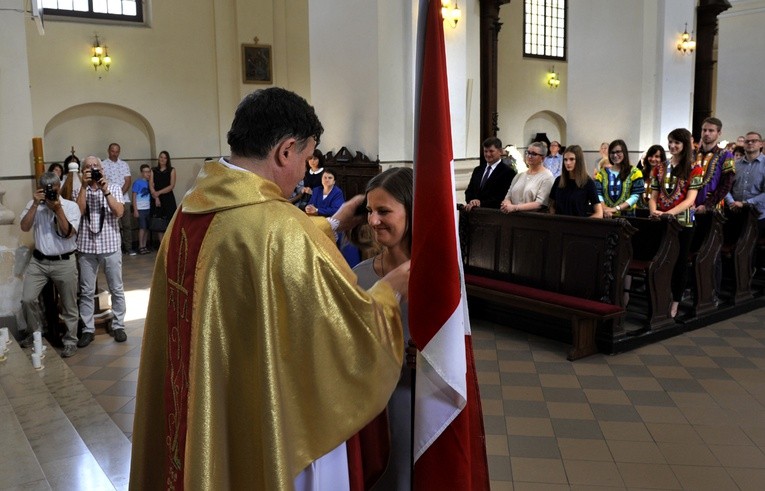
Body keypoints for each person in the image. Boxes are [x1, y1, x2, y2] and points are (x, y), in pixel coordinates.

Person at [129, 87, 409, 490]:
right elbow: (346, 327)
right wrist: (390, 289)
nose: (303, 171)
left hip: (203, 401)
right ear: (285, 150)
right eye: (307, 156)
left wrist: (333, 223)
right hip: (255, 415)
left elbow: (260, 252)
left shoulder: (190, 211)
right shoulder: (278, 226)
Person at [349, 167, 414, 490]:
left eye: (384, 211)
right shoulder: (359, 276)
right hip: (372, 406)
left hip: (418, 401)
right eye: (370, 211)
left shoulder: (439, 277)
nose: (373, 221)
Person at [18, 172, 81, 358]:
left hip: (64, 261)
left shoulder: (70, 206)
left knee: (69, 304)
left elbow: (69, 233)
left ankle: (70, 341)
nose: (50, 193)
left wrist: (57, 209)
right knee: (27, 299)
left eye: (52, 189)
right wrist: (36, 204)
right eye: (46, 190)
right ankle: (35, 333)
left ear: (58, 188)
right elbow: (24, 227)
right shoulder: (34, 205)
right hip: (39, 262)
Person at [649, 128, 704, 319]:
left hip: (683, 223)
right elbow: (653, 194)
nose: (672, 146)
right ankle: (660, 298)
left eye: (677, 143)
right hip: (662, 221)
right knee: (660, 261)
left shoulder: (694, 168)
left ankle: (675, 302)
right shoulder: (660, 167)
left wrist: (668, 214)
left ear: (685, 145)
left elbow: (690, 200)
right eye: (670, 142)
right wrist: (653, 209)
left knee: (680, 262)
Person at [73, 156, 128, 347]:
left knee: (116, 288)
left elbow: (119, 212)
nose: (93, 169)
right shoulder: (79, 189)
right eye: (88, 167)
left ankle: (119, 325)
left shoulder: (112, 187)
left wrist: (105, 191)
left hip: (110, 246)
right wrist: (83, 186)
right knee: (86, 291)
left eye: (96, 166)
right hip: (86, 248)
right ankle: (88, 330)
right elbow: (77, 213)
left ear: (102, 169)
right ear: (83, 171)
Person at [726, 131, 765, 238]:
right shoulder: (735, 165)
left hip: (758, 215)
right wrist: (731, 202)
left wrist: (745, 203)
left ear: (761, 144)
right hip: (735, 212)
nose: (750, 143)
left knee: (753, 250)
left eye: (754, 141)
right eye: (747, 141)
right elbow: (726, 187)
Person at [693, 117, 735, 214]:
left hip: (712, 209)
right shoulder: (693, 154)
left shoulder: (726, 155)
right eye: (704, 130)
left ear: (719, 133)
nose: (707, 133)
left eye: (711, 130)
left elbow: (726, 184)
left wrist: (708, 204)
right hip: (688, 205)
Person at [500, 141, 554, 213]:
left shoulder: (547, 177)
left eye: (534, 154)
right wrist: (507, 205)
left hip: (532, 219)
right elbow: (508, 196)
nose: (529, 156)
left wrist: (515, 207)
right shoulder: (520, 175)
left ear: (542, 158)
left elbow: (540, 203)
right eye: (528, 152)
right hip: (512, 217)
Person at [549, 145, 603, 218]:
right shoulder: (558, 180)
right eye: (565, 159)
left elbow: (599, 213)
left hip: (578, 226)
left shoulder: (588, 182)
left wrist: (583, 224)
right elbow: (552, 204)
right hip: (559, 225)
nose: (568, 163)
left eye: (571, 159)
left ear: (579, 160)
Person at [595, 139, 645, 218]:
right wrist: (605, 209)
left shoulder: (635, 172)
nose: (615, 155)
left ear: (624, 152)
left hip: (627, 217)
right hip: (606, 216)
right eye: (612, 152)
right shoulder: (602, 173)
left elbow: (635, 196)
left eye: (618, 152)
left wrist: (616, 208)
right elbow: (598, 193)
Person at [464, 137, 516, 211]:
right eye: (485, 151)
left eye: (491, 151)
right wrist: (472, 201)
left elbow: (502, 196)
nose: (488, 154)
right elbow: (469, 191)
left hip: (493, 215)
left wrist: (480, 203)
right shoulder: (478, 170)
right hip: (474, 213)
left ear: (500, 151)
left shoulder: (508, 172)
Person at [102, 143, 134, 254]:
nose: (115, 154)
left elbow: (128, 181)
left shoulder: (124, 164)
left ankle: (128, 248)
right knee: (111, 225)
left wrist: (119, 194)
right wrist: (112, 196)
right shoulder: (103, 164)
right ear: (108, 151)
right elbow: (102, 181)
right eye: (112, 151)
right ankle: (114, 248)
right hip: (109, 200)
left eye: (117, 151)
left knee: (127, 225)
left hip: (125, 198)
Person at [149, 150, 177, 244]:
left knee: (170, 222)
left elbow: (171, 185)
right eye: (161, 157)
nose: (162, 159)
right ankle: (161, 245)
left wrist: (159, 193)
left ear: (167, 160)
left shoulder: (171, 170)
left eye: (165, 158)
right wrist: (156, 197)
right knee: (159, 223)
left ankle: (169, 244)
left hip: (168, 198)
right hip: (157, 199)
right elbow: (151, 184)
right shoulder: (153, 170)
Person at [132, 164, 152, 254]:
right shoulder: (137, 182)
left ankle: (144, 245)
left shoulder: (150, 183)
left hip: (148, 208)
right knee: (142, 227)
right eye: (146, 172)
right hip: (140, 208)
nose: (148, 174)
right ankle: (140, 246)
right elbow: (134, 196)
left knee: (146, 228)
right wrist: (135, 210)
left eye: (149, 171)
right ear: (142, 173)